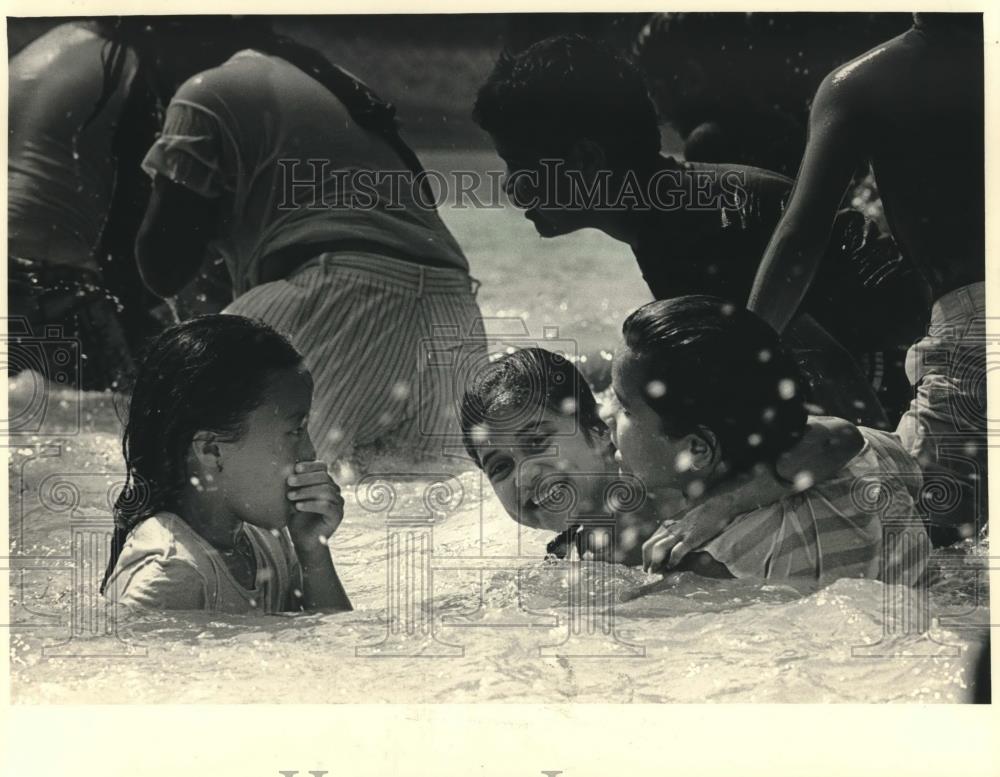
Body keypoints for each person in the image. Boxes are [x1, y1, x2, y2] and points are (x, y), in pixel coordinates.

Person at [472, 34, 932, 427]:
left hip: (919, 373)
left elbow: (834, 374)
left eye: (518, 165)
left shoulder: (701, 228)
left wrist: (889, 496)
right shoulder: (667, 214)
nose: (513, 187)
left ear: (587, 161)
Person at [134, 18, 485, 470]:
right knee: (408, 515)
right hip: (452, 309)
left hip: (335, 296)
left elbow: (162, 264)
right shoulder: (336, 83)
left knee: (187, 471)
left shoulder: (203, 91)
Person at [747, 13, 985, 546]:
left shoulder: (866, 83)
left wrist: (743, 356)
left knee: (916, 540)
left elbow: (801, 236)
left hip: (977, 334)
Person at [459, 346, 885, 582]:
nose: (525, 473)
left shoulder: (669, 469)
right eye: (499, 467)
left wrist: (726, 504)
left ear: (597, 432)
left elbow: (839, 437)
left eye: (536, 441)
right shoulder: (574, 558)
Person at [603, 297, 927, 584]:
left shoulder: (713, 565)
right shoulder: (872, 451)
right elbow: (841, 435)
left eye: (625, 407)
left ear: (697, 448)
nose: (606, 411)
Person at [101, 315, 352, 614]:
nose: (311, 451)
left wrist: (314, 551)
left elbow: (328, 643)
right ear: (211, 450)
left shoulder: (267, 540)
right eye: (295, 431)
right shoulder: (171, 576)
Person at [7, 19, 169, 389]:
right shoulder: (128, 66)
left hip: (16, 268)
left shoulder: (40, 48)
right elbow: (139, 210)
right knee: (127, 413)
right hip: (52, 280)